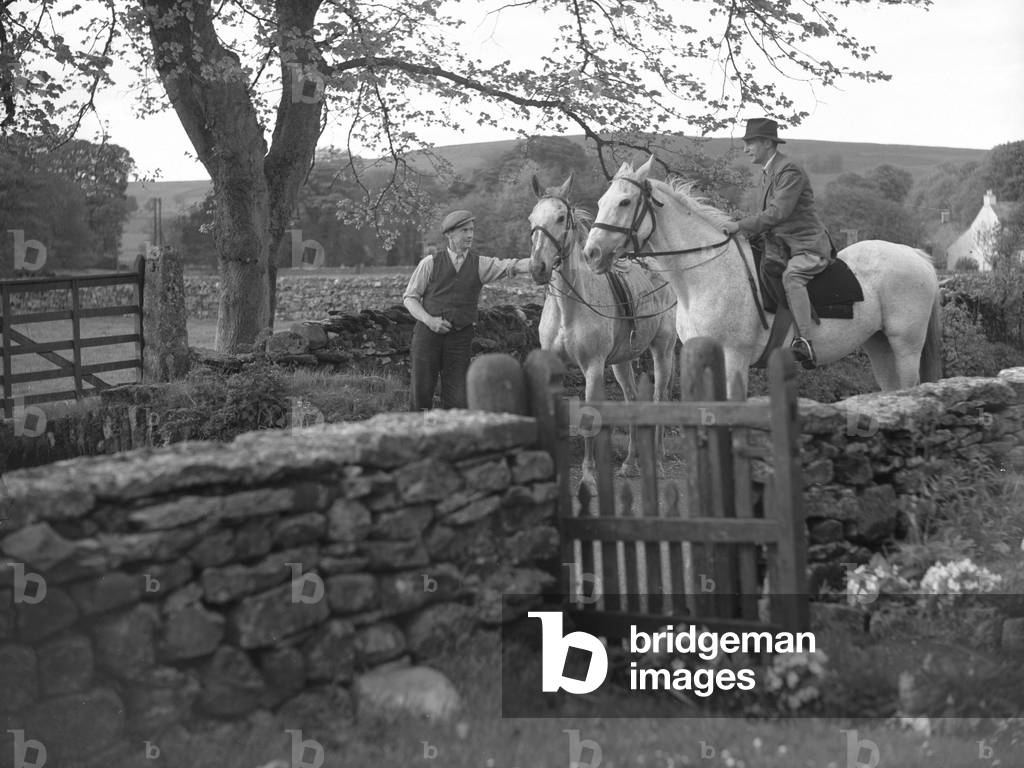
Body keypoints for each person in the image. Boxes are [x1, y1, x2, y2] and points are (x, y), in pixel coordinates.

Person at [722, 118, 834, 368]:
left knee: (792, 277)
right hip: (779, 243)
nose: (745, 149)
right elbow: (767, 217)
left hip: (805, 244)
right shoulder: (767, 174)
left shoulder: (789, 170)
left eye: (750, 143)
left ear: (766, 143)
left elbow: (778, 213)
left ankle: (804, 340)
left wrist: (740, 226)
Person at [403, 210, 531, 410]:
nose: (470, 235)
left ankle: (453, 437)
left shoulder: (479, 264)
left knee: (457, 399)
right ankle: (422, 436)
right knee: (421, 394)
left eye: (471, 230)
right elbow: (410, 298)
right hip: (427, 337)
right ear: (450, 234)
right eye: (464, 230)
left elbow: (511, 266)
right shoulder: (429, 263)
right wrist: (429, 320)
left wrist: (540, 262)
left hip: (459, 339)